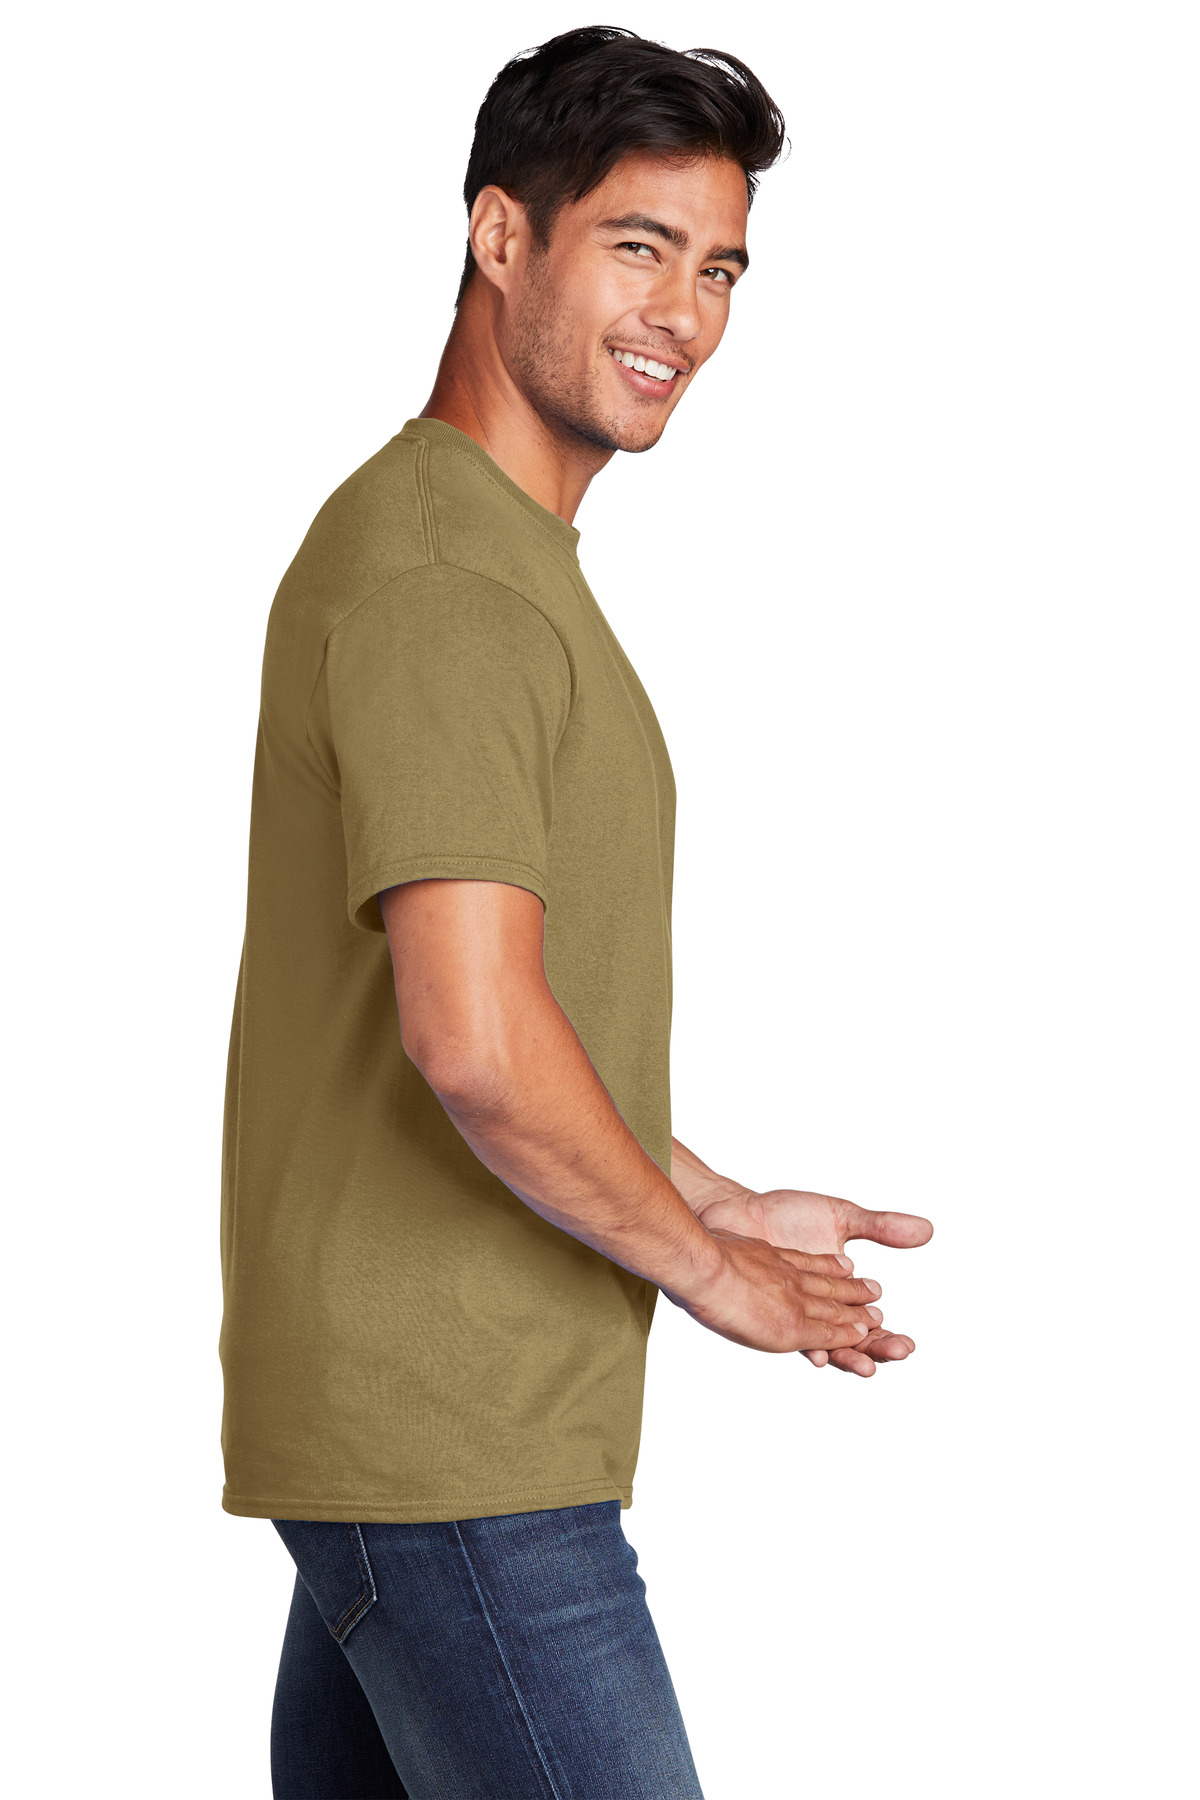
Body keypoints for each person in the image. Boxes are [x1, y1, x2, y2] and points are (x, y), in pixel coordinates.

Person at [219, 26, 933, 1799]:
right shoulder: (449, 583)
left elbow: (494, 1017)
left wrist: (715, 1194)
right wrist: (708, 1269)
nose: (684, 315)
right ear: (500, 236)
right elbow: (470, 1042)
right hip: (461, 1450)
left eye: (722, 270)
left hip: (433, 1436)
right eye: (638, 247)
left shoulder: (479, 555)